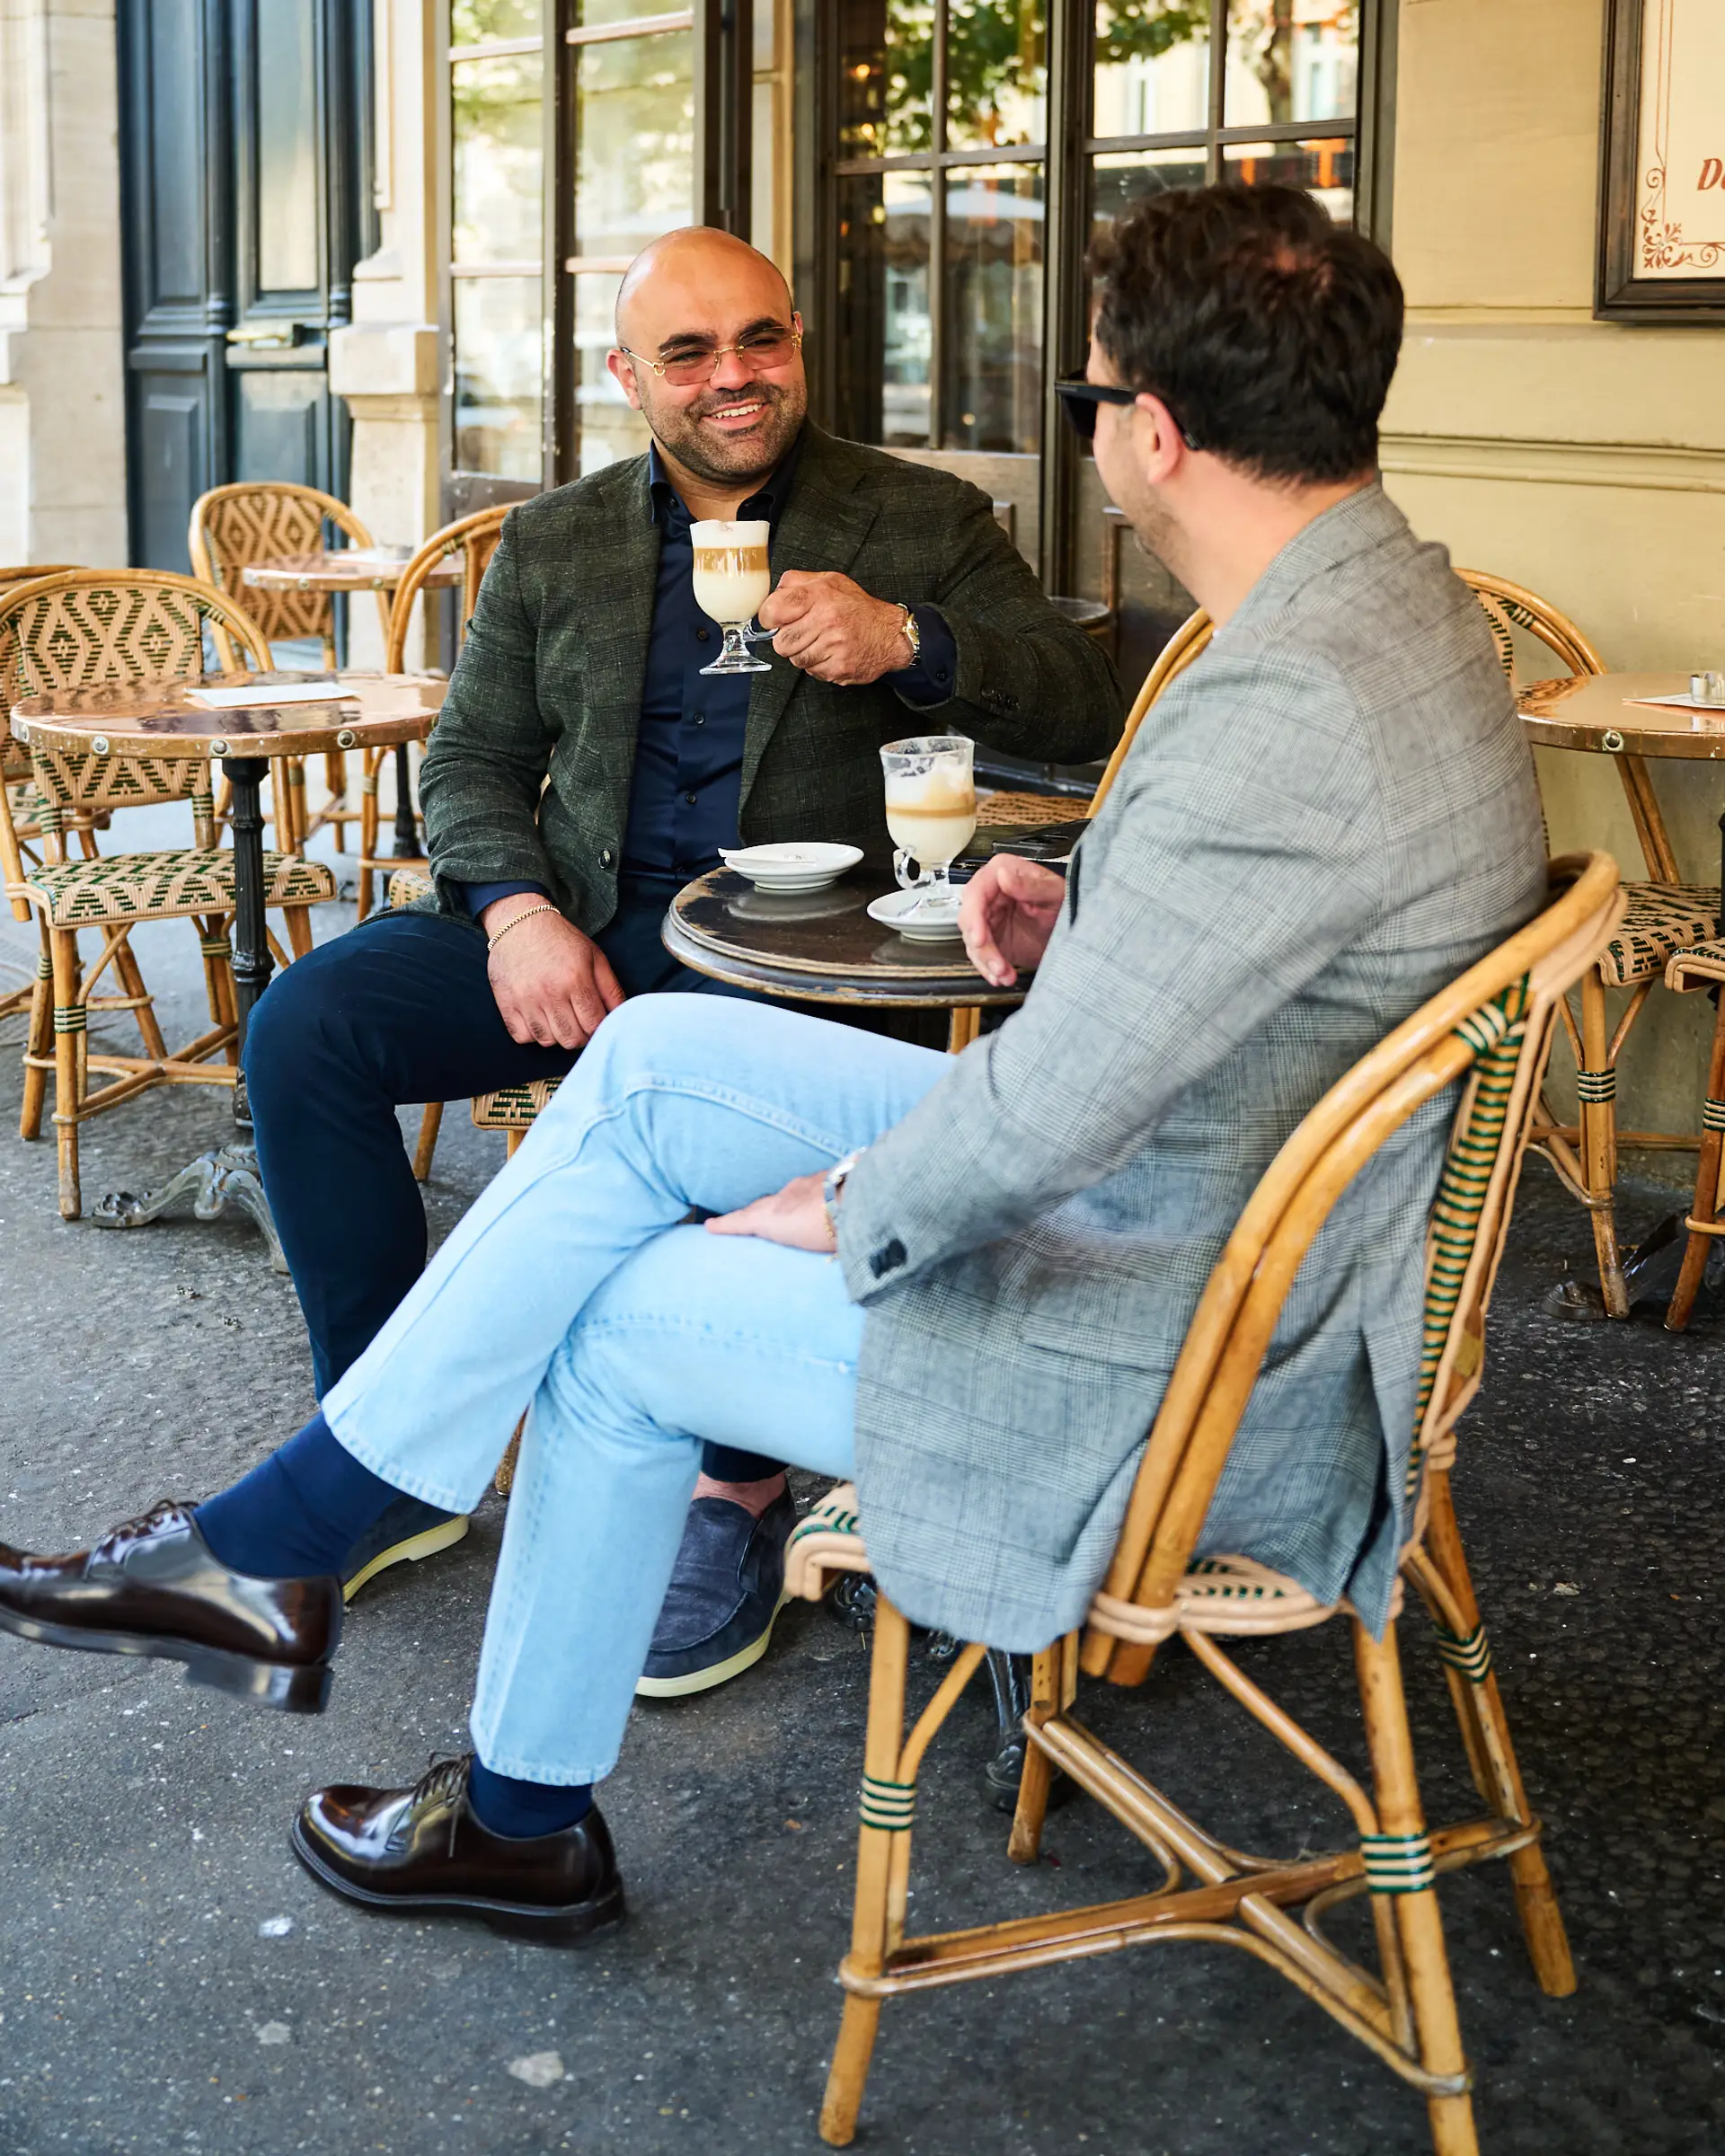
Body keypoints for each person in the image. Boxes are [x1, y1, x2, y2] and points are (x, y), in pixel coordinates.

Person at [0, 183, 1545, 1943]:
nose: (1092, 430)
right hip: (1217, 1210)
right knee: (646, 1062)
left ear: (1160, 435)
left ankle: (482, 1779)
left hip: (1186, 1348)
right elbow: (1231, 918)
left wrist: (836, 1206)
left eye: (1090, 399)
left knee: (625, 1308)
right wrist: (1082, 890)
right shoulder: (1393, 617)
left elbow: (1046, 1114)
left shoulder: (1272, 692)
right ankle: (310, 1539)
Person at [243, 226, 1119, 1692]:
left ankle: (742, 1491)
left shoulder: (920, 514)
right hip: (586, 922)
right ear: (627, 375)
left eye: (759, 341)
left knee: (716, 1062)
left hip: (801, 950)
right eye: (691, 353)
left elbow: (1077, 699)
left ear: (797, 343)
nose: (734, 379)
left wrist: (910, 635)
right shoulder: (560, 538)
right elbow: (468, 763)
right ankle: (389, 1447)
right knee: (306, 1026)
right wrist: (517, 913)